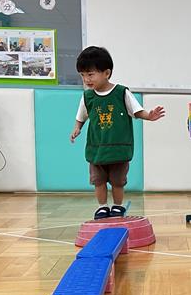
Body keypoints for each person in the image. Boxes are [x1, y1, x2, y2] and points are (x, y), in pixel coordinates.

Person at [70, 46, 165, 219]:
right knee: (98, 180)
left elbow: (136, 111)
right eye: (82, 75)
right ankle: (102, 207)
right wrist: (77, 128)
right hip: (97, 149)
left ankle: (117, 206)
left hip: (118, 148)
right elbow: (81, 116)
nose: (86, 79)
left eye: (90, 74)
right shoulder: (88, 97)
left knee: (117, 181)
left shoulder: (121, 93)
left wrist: (149, 116)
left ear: (106, 73)